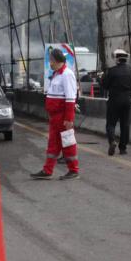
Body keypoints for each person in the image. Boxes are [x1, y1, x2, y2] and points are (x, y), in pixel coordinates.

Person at [31, 48, 79, 180]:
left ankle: (73, 170)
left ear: (58, 61)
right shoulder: (56, 74)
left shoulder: (67, 74)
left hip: (63, 116)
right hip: (55, 117)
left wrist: (69, 118)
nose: (50, 63)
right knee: (53, 144)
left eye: (51, 60)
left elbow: (70, 98)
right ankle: (48, 170)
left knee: (68, 143)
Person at [101, 49, 131, 156]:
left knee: (111, 123)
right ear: (125, 59)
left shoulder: (112, 71)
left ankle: (112, 141)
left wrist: (101, 79)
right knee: (125, 125)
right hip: (127, 101)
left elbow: (105, 86)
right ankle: (123, 148)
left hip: (114, 100)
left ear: (117, 59)